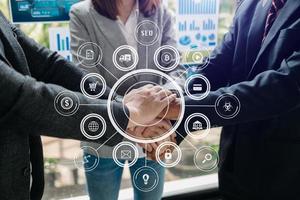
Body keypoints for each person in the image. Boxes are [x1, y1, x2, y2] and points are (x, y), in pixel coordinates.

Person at [0, 10, 175, 200]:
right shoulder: (83, 13)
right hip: (105, 141)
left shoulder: (162, 13)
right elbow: (19, 96)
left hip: (150, 134)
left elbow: (48, 65)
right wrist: (126, 114)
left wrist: (126, 109)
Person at [148, 0, 300, 199]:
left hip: (285, 171)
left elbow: (283, 86)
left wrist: (180, 108)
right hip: (234, 164)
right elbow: (215, 66)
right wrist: (170, 110)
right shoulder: (249, 4)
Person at [69, 0, 185, 199]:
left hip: (153, 137)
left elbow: (176, 72)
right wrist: (136, 117)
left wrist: (155, 113)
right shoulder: (82, 14)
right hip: (105, 137)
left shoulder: (161, 11)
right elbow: (88, 81)